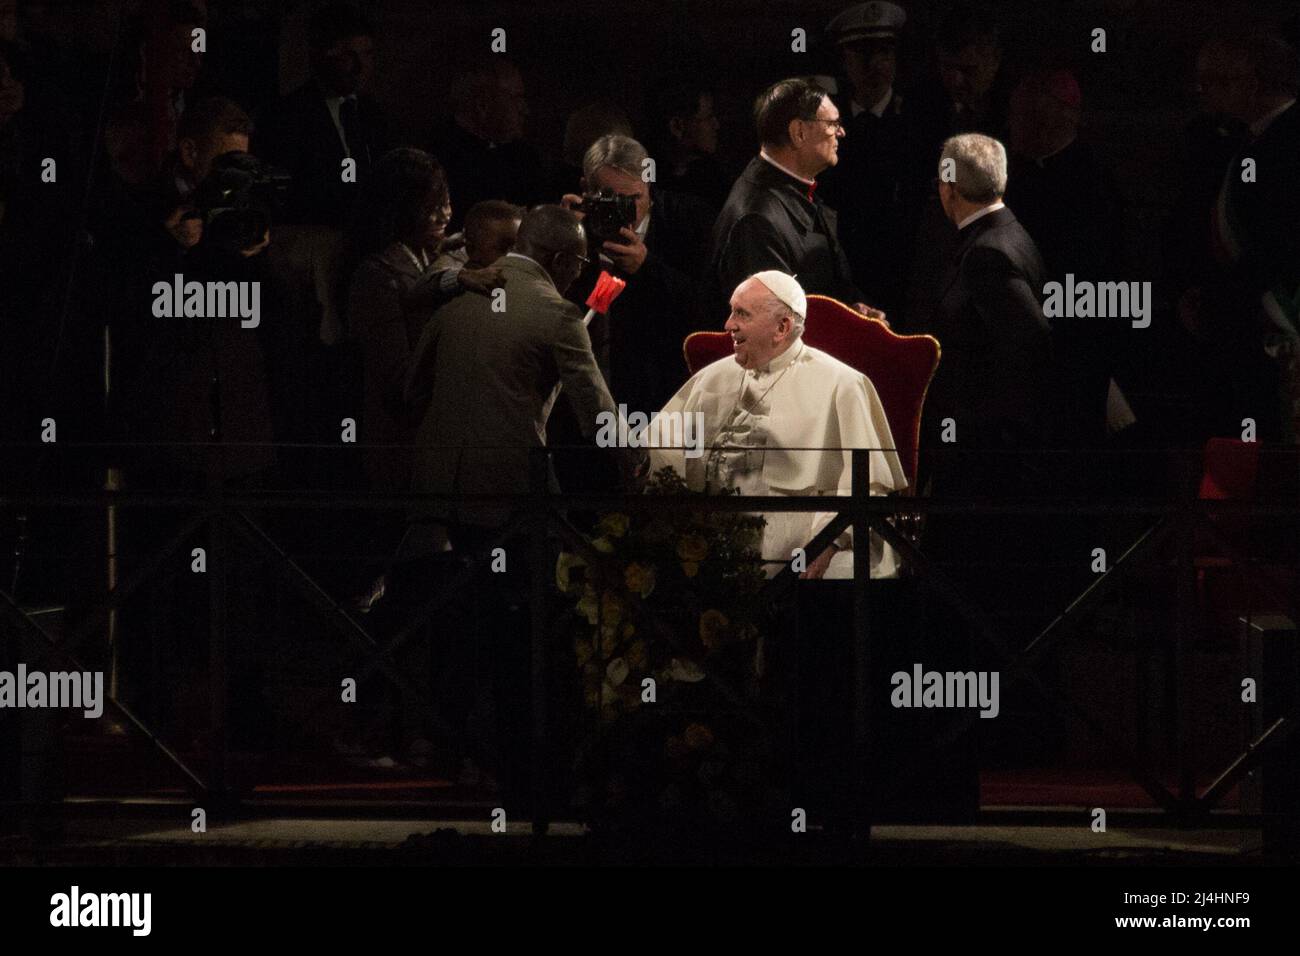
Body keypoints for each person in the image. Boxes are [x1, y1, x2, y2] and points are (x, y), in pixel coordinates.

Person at [403, 205, 639, 550]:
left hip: (434, 490)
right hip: (508, 495)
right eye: (580, 264)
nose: (577, 275)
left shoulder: (460, 292)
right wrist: (639, 461)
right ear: (560, 261)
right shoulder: (558, 314)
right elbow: (597, 414)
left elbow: (412, 391)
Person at [649, 271, 906, 580]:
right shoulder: (712, 377)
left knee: (846, 572)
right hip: (707, 542)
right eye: (731, 311)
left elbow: (864, 488)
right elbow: (659, 455)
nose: (728, 324)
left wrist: (828, 545)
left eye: (742, 313)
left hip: (797, 548)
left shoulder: (842, 385)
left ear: (782, 327)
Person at [561, 133, 715, 415]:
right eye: (612, 200)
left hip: (664, 397)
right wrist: (565, 241)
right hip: (588, 397)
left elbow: (710, 309)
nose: (627, 212)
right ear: (586, 190)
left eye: (635, 198)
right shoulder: (573, 229)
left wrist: (648, 268)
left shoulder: (689, 222)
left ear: (649, 186)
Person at [709, 77, 884, 323]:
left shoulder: (790, 189)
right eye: (833, 123)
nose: (841, 132)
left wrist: (853, 312)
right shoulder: (756, 221)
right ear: (798, 132)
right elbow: (775, 327)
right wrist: (849, 326)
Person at [256, 2, 392, 226]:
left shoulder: (372, 114)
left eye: (367, 54)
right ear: (321, 55)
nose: (360, 67)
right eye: (349, 55)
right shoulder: (287, 115)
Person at [818, 0, 913, 317]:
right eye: (862, 54)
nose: (875, 65)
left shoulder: (917, 120)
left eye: (884, 53)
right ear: (845, 60)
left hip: (905, 270)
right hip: (845, 270)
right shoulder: (827, 121)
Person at [427, 58, 545, 232]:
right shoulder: (437, 163)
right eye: (516, 98)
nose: (524, 109)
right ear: (483, 105)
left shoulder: (524, 157)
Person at [645, 78, 729, 210]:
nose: (716, 125)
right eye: (708, 118)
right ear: (677, 126)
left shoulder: (715, 179)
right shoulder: (646, 177)